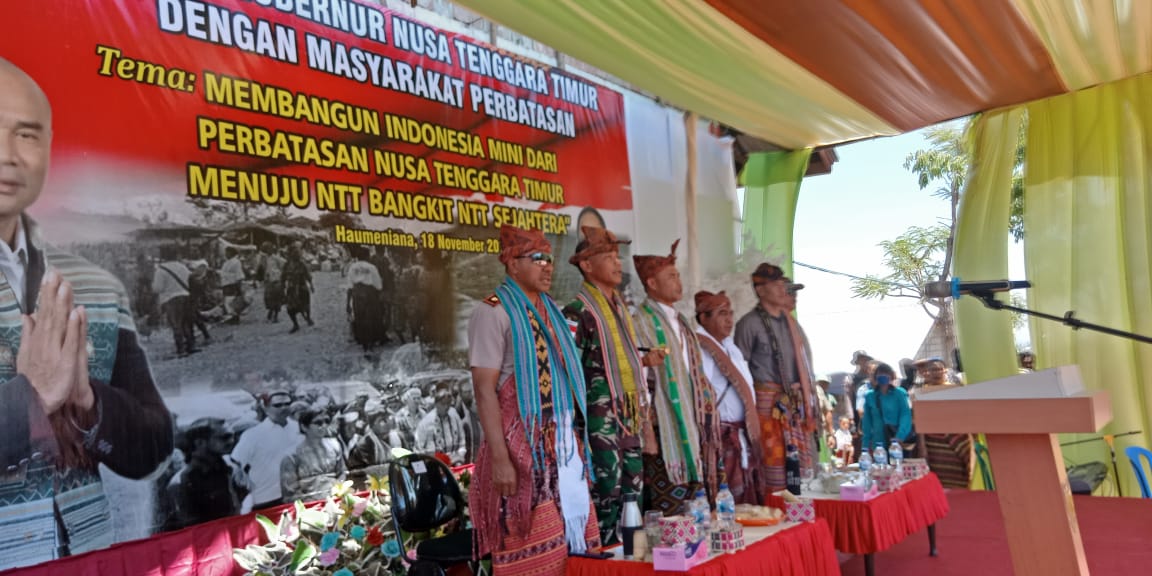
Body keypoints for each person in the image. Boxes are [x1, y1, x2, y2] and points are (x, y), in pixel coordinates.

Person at [0, 57, 174, 569]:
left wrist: (88, 401)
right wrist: (29, 400)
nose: (9, 155)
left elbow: (153, 443)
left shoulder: (94, 284)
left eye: (27, 135)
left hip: (90, 556)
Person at [467, 225, 599, 576]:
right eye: (537, 258)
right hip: (520, 452)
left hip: (561, 447)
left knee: (576, 547)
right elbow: (484, 390)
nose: (547, 266)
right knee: (533, 552)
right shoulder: (492, 311)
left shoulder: (549, 310)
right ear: (512, 264)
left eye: (550, 259)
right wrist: (500, 459)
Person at [563, 226, 653, 542]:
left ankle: (631, 551)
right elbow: (567, 370)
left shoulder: (619, 309)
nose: (618, 263)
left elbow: (620, 362)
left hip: (626, 415)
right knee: (607, 490)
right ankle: (602, 555)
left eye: (618, 256)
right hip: (597, 419)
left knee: (634, 488)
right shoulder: (577, 311)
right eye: (608, 256)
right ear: (586, 266)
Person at [632, 240, 720, 512]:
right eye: (671, 276)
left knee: (698, 511)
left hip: (692, 426)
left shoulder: (682, 322)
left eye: (678, 274)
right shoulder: (640, 322)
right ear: (652, 283)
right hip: (663, 430)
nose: (678, 281)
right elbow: (639, 379)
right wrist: (647, 432)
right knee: (671, 513)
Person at [733, 263, 819, 494]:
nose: (783, 289)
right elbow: (739, 370)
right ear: (760, 290)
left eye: (784, 284)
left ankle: (800, 509)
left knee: (801, 468)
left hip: (794, 404)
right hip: (766, 406)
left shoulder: (793, 324)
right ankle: (776, 511)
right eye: (777, 285)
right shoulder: (748, 324)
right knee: (774, 466)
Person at [694, 290, 761, 504]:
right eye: (722, 313)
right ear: (703, 318)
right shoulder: (700, 348)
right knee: (727, 498)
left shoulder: (732, 348)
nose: (729, 319)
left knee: (747, 498)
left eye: (731, 313)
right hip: (722, 436)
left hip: (740, 434)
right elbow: (700, 394)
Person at [231, 390, 304, 510]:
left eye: (287, 404)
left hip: (296, 496)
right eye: (278, 405)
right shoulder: (252, 435)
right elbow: (235, 464)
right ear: (265, 407)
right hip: (266, 498)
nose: (284, 408)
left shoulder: (299, 428)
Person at [915, 357, 973, 487]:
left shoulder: (956, 389)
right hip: (933, 441)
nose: (937, 372)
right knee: (940, 477)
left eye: (940, 369)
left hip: (958, 436)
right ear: (927, 372)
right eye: (933, 370)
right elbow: (920, 420)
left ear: (945, 371)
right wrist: (922, 446)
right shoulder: (921, 392)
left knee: (962, 473)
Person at [281, 408, 347, 503]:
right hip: (310, 506)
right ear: (304, 427)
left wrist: (338, 492)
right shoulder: (292, 456)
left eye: (327, 421)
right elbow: (290, 493)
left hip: (337, 499)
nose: (324, 426)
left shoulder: (335, 445)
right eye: (318, 423)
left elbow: (342, 473)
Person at [152, 245, 197, 357]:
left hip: (171, 299)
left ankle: (181, 349)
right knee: (186, 323)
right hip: (186, 296)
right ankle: (191, 346)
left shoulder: (161, 270)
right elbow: (190, 280)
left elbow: (158, 288)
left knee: (176, 325)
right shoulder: (182, 267)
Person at [860, 363, 913, 455]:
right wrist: (865, 447)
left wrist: (900, 436)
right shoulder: (870, 396)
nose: (883, 376)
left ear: (891, 376)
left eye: (886, 373)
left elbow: (906, 416)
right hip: (878, 444)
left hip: (897, 442)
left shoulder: (900, 393)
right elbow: (866, 423)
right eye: (880, 373)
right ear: (875, 376)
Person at [414, 384, 467, 464]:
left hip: (455, 462)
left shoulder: (454, 415)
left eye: (448, 403)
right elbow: (418, 449)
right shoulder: (426, 422)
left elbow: (462, 441)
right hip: (434, 465)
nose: (446, 407)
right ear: (436, 404)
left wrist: (459, 458)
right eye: (443, 404)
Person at [283, 244, 314, 333]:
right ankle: (295, 324)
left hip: (302, 287)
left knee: (306, 305)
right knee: (290, 309)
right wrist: (282, 287)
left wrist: (311, 285)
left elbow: (308, 275)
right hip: (291, 289)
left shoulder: (302, 264)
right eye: (295, 252)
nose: (297, 254)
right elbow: (283, 276)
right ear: (290, 254)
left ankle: (308, 317)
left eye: (298, 253)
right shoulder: (287, 265)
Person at [258, 242, 285, 323]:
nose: (268, 251)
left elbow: (283, 267)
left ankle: (275, 316)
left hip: (276, 280)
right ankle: (270, 312)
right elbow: (262, 269)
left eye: (269, 249)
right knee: (268, 298)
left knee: (276, 299)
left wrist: (282, 278)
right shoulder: (264, 258)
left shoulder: (277, 258)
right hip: (268, 281)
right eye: (266, 249)